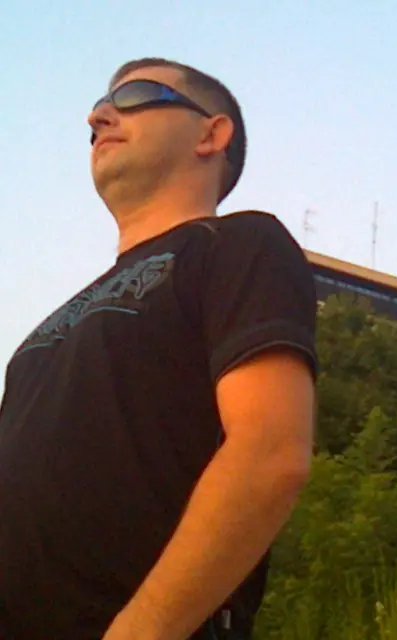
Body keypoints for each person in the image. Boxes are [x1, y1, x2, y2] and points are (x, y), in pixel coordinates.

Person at [0, 58, 317, 639]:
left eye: (134, 96)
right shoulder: (38, 337)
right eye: (99, 107)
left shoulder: (239, 245)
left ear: (211, 134)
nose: (98, 117)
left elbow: (270, 451)